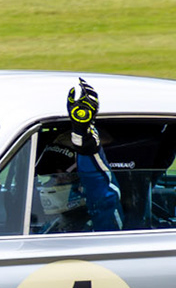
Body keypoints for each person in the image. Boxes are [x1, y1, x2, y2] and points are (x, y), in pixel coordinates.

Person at [31, 79, 124, 235]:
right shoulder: (49, 222)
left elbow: (101, 194)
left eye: (64, 173)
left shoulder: (100, 225)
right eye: (54, 172)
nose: (56, 178)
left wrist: (86, 145)